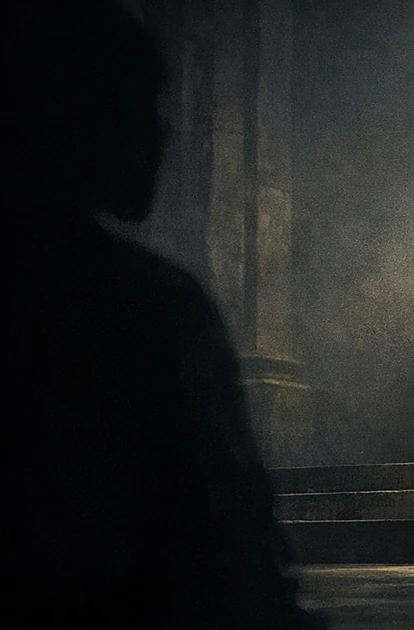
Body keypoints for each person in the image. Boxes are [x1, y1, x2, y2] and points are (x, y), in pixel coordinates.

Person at [9, 3, 324, 627]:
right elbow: (234, 545)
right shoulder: (149, 305)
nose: (163, 136)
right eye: (140, 109)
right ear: (68, 119)